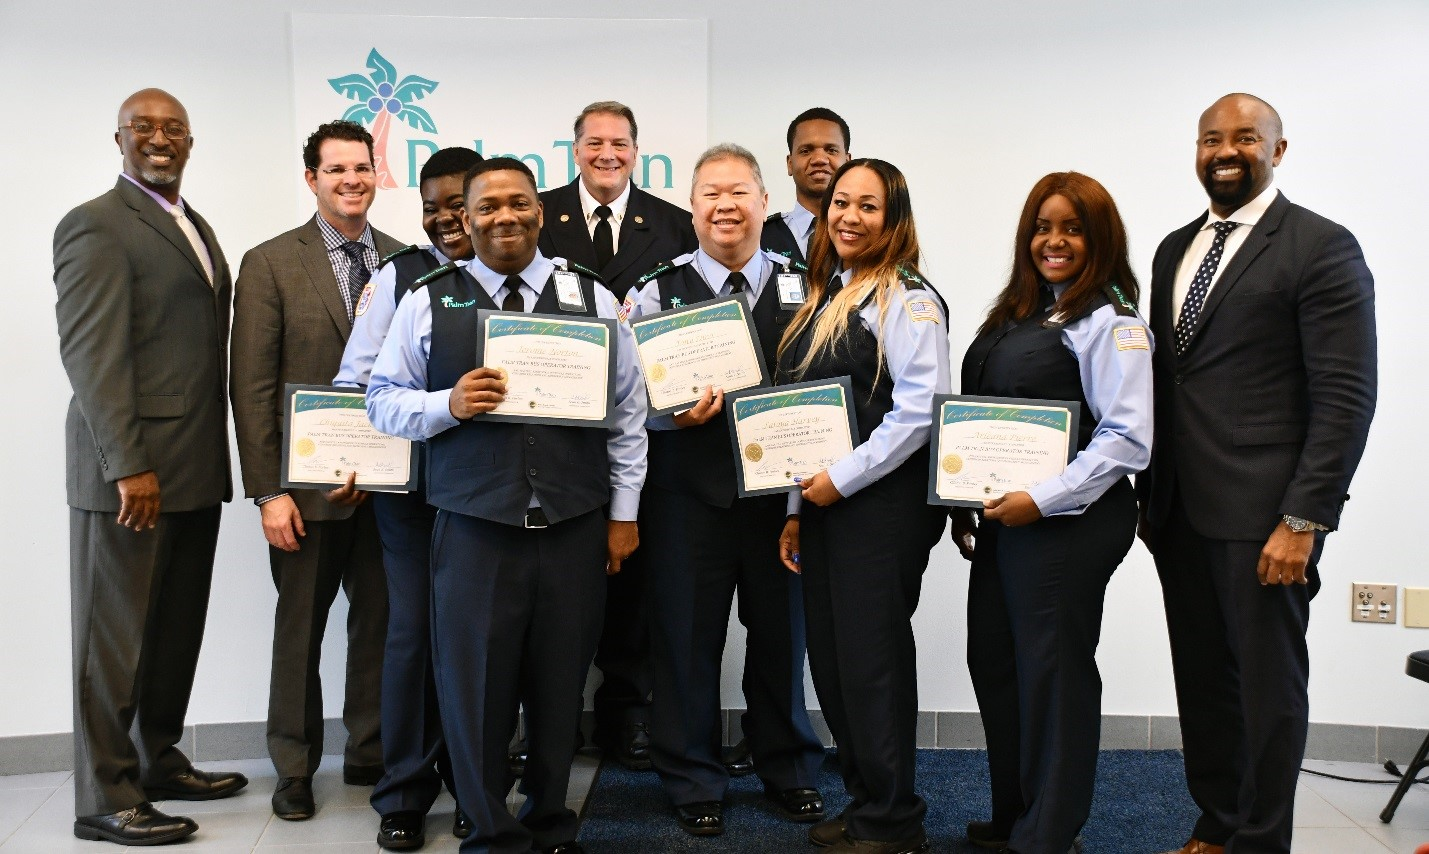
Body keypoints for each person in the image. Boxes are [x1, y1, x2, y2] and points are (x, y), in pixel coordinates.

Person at [366, 156, 646, 854]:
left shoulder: (591, 297)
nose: (504, 217)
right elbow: (380, 401)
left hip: (573, 525)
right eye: (487, 207)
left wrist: (623, 514)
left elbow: (628, 415)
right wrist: (448, 404)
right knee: (475, 690)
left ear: (540, 211)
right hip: (474, 528)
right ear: (465, 218)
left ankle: (550, 823)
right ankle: (489, 831)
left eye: (518, 203)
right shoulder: (429, 299)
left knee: (559, 687)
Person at [1139, 93, 1376, 854]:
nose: (1225, 151)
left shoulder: (1319, 245)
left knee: (1266, 691)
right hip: (1178, 511)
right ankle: (1217, 825)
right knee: (1204, 683)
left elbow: (1345, 395)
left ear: (1278, 151)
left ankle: (1262, 840)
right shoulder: (1173, 248)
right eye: (1211, 138)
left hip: (1267, 517)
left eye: (1245, 137)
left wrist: (1303, 519)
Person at [54, 87, 247, 847]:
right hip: (130, 477)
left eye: (173, 129)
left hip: (192, 467)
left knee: (171, 632)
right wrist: (126, 464)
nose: (159, 138)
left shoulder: (190, 223)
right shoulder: (96, 224)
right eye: (144, 127)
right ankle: (104, 795)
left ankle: (156, 761)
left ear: (190, 142)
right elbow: (91, 356)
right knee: (114, 641)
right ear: (119, 139)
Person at [628, 144, 825, 837]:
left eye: (739, 192)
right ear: (692, 208)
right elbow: (627, 402)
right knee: (685, 644)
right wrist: (670, 416)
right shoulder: (657, 292)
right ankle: (691, 776)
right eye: (711, 193)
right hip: (686, 500)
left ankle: (788, 768)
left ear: (765, 203)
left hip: (781, 502)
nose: (725, 206)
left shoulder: (808, 288)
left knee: (781, 642)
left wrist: (802, 504)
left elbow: (820, 393)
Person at [953, 172, 1152, 854]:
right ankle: (1016, 814)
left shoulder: (1111, 323)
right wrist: (962, 502)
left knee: (1052, 672)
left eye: (1071, 228)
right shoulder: (1022, 311)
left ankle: (1049, 833)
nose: (1054, 241)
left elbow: (1126, 439)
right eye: (1042, 227)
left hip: (1069, 526)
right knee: (996, 660)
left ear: (1100, 239)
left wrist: (1039, 499)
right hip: (1006, 523)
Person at [776, 159, 949, 854]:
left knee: (872, 665)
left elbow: (918, 413)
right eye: (840, 203)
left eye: (868, 206)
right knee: (835, 662)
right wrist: (796, 507)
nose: (848, 216)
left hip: (880, 511)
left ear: (894, 219)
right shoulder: (831, 291)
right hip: (826, 508)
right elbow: (807, 420)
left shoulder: (907, 299)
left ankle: (894, 820)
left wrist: (840, 482)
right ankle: (867, 801)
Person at [230, 120, 401, 821]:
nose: (351, 180)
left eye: (361, 168)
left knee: (382, 625)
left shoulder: (405, 261)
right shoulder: (270, 262)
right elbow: (251, 388)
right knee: (299, 631)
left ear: (375, 174)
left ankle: (370, 749)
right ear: (312, 179)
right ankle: (294, 767)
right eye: (336, 170)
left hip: (386, 487)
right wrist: (268, 492)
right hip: (302, 494)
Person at [536, 100, 697, 770]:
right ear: (574, 149)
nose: (608, 154)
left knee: (633, 584)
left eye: (620, 143)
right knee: (555, 585)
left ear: (636, 150)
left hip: (646, 425)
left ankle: (626, 714)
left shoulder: (675, 223)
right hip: (554, 432)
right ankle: (551, 721)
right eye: (594, 142)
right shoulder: (537, 214)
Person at [334, 146, 482, 849]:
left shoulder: (522, 277)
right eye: (432, 208)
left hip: (490, 494)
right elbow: (355, 381)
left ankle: (474, 787)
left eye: (458, 204)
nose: (445, 219)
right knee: (413, 635)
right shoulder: (398, 276)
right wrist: (343, 460)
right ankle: (403, 792)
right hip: (414, 493)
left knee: (480, 642)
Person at [762, 108, 850, 266]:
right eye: (806, 151)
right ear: (790, 164)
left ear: (848, 162)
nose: (819, 159)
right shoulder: (760, 237)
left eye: (831, 150)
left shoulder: (869, 235)